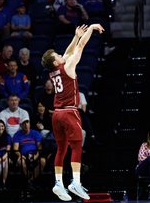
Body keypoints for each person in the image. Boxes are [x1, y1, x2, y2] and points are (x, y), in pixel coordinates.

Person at [41, 24, 104, 201]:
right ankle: (75, 182)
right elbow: (79, 48)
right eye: (57, 56)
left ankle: (58, 183)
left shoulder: (53, 71)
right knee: (76, 146)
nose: (62, 55)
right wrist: (91, 28)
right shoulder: (68, 67)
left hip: (57, 114)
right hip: (69, 112)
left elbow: (68, 52)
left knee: (61, 148)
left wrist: (75, 36)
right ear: (55, 61)